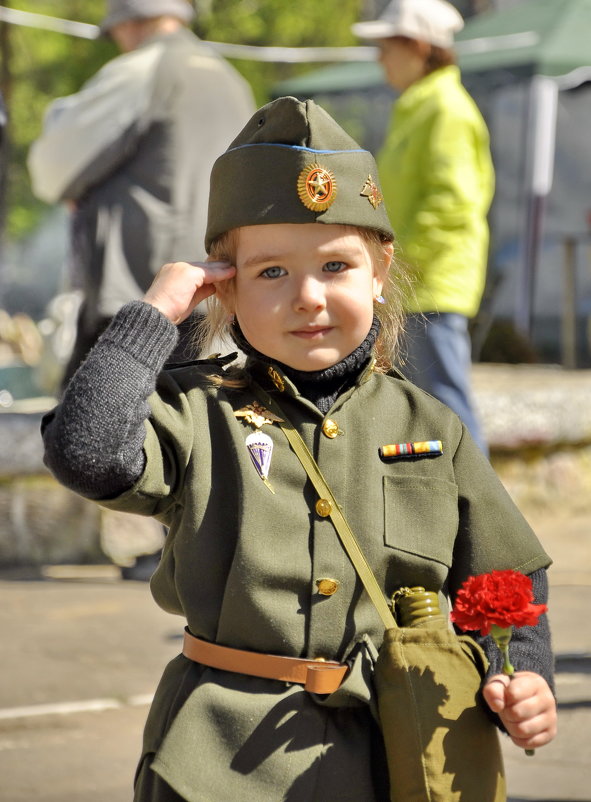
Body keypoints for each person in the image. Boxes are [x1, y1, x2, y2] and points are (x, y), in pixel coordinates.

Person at [41, 96, 556, 801]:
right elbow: (87, 455)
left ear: (379, 273)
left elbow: (503, 581)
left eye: (336, 267)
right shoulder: (197, 409)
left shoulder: (430, 421)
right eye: (271, 273)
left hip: (395, 751)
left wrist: (522, 677)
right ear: (224, 288)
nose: (308, 298)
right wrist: (153, 316)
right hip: (218, 758)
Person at [27, 0, 255, 390]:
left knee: (89, 431)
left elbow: (51, 168)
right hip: (218, 298)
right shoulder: (232, 79)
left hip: (141, 303)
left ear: (128, 21)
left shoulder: (141, 70)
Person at [352, 0, 494, 455]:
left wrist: (397, 269)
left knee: (446, 408)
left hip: (430, 285)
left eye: (385, 46)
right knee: (428, 409)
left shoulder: (445, 109)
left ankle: (485, 519)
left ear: (416, 47)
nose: (379, 58)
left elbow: (451, 206)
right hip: (417, 284)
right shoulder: (422, 105)